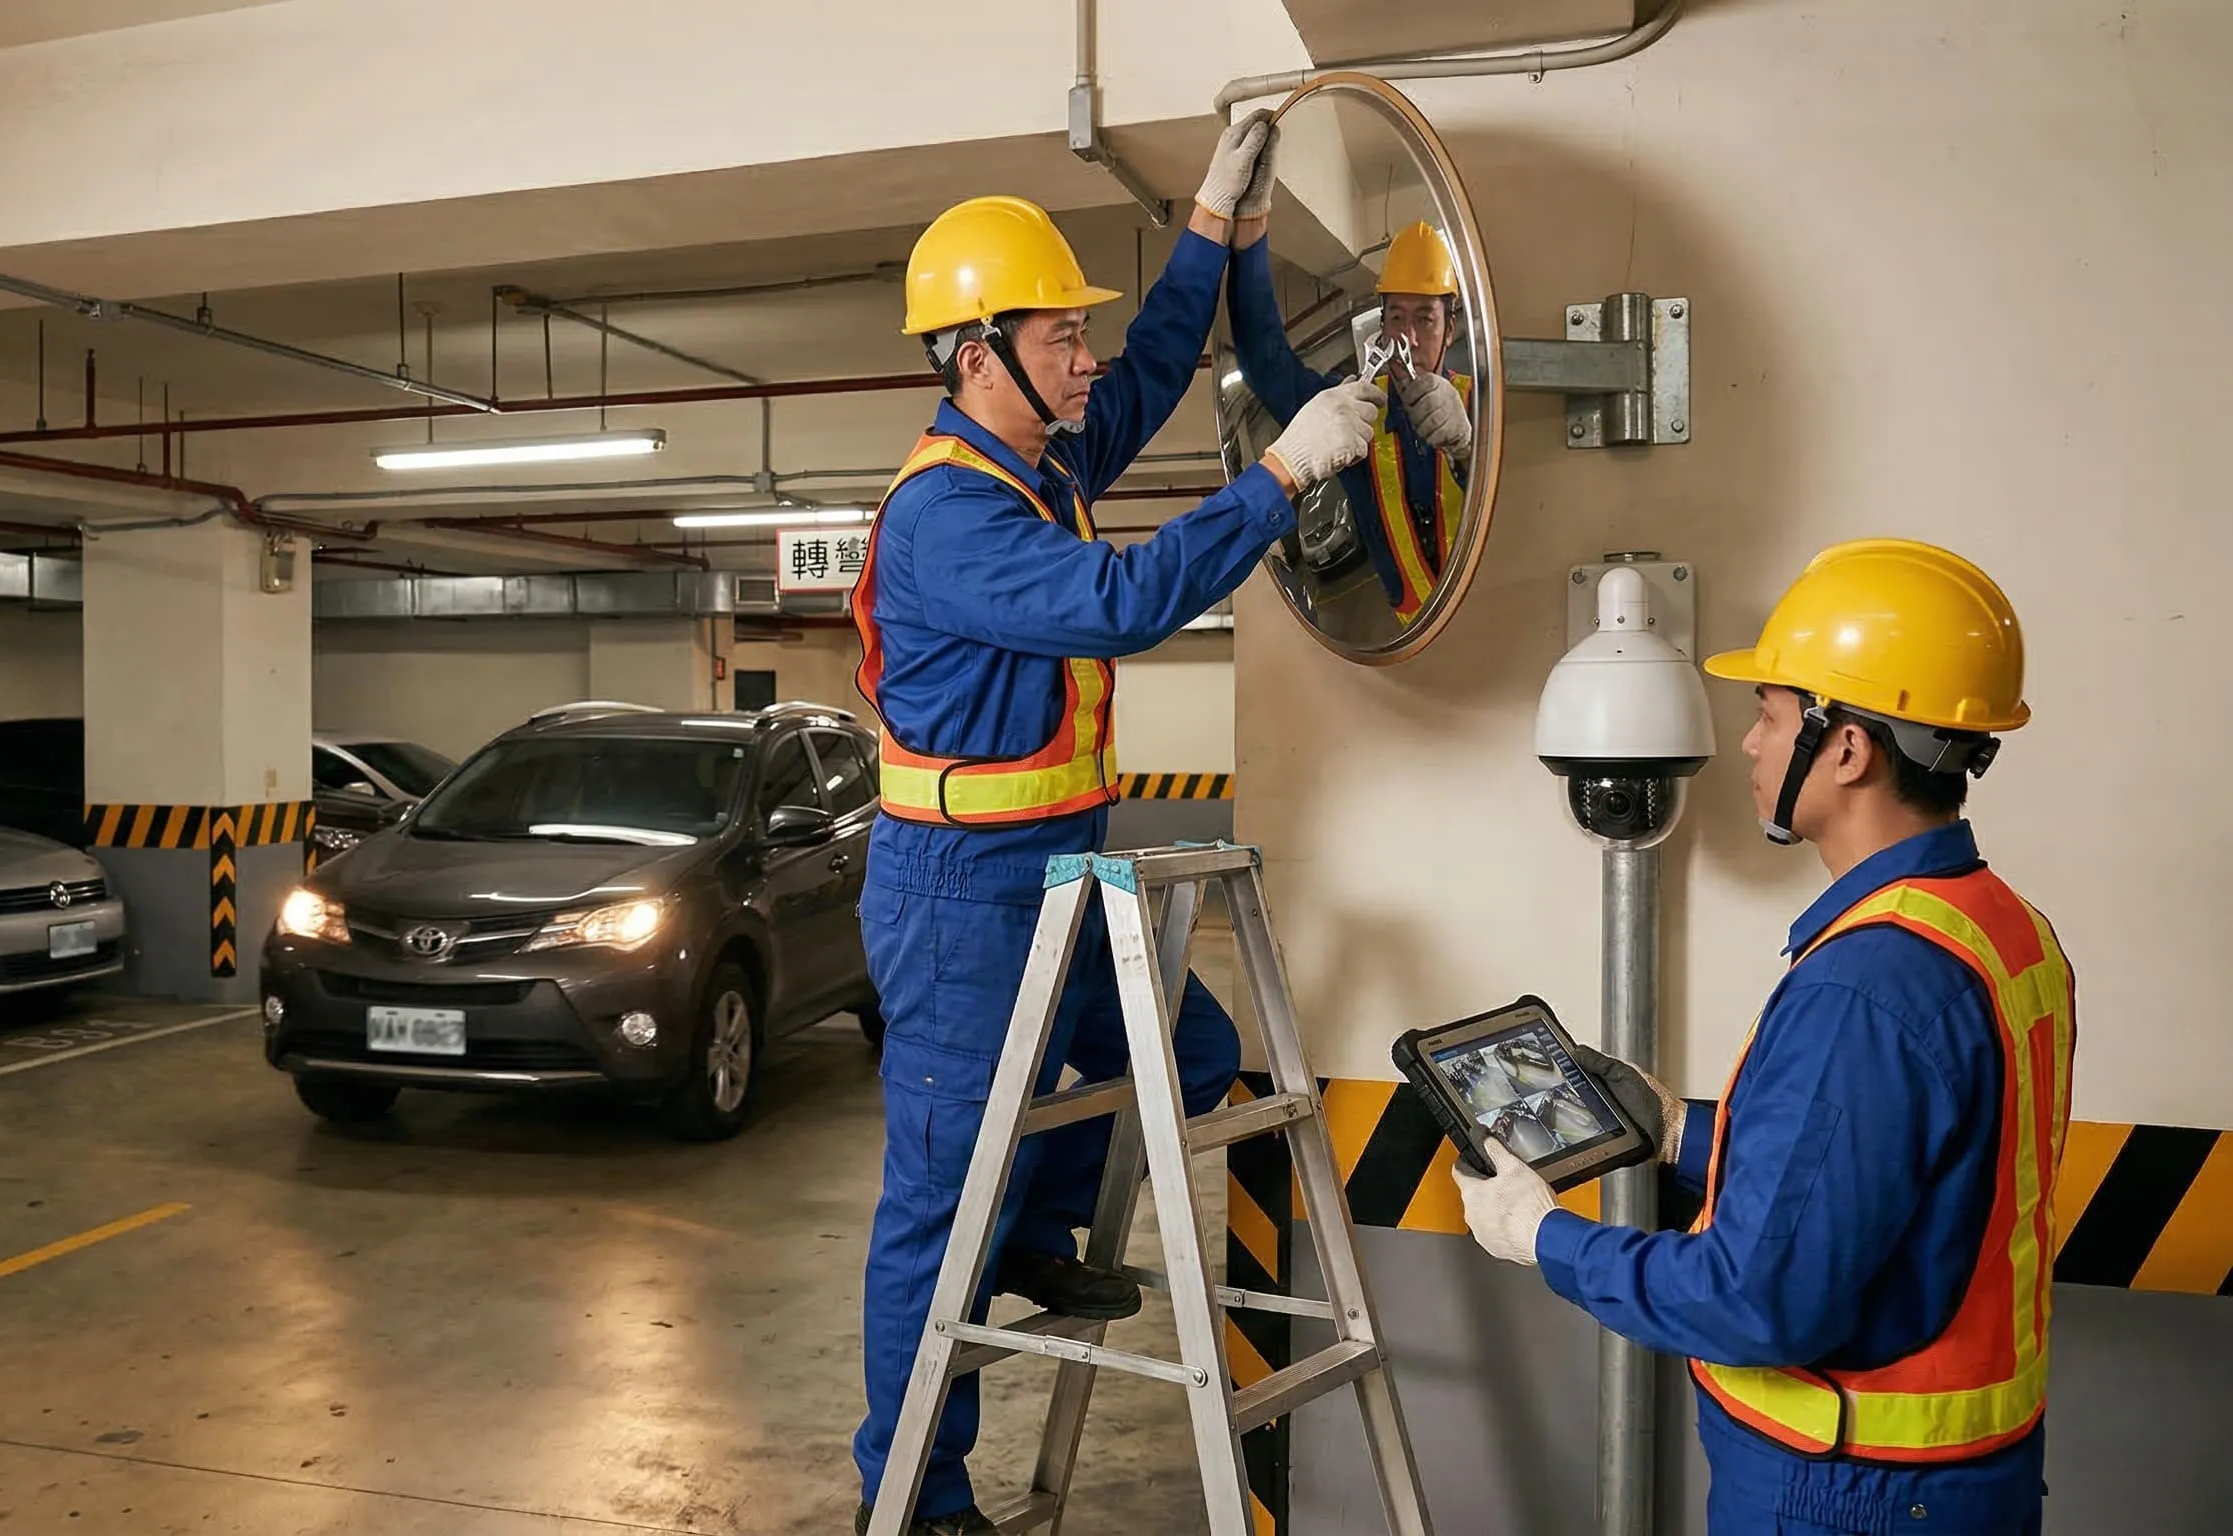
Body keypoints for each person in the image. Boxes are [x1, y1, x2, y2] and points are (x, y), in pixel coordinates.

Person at [848, 121, 1389, 1536]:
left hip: (1056, 872)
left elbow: (1151, 364)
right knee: (936, 1205)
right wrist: (1281, 477)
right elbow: (1121, 604)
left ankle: (1032, 1232)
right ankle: (910, 1495)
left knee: (1190, 1058)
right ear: (979, 356)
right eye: (1058, 337)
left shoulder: (1040, 465)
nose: (1085, 360)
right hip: (958, 894)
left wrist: (1211, 220)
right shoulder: (946, 516)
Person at [1455, 539, 2074, 1535]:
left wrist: (1544, 1238)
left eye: (1770, 714)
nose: (1748, 745)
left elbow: (1754, 1301)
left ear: (1847, 748)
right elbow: (1891, 1180)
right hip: (1963, 1485)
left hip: (1845, 1495)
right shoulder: (1997, 926)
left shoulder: (1863, 987)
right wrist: (1675, 1132)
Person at [1231, 219, 1476, 620]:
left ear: (1449, 329)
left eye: (1425, 319)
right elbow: (1266, 366)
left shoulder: (1480, 403)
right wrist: (1248, 243)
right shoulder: (1352, 409)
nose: (1409, 338)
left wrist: (1467, 447)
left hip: (1487, 612)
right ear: (1382, 327)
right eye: (1397, 318)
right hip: (1410, 630)